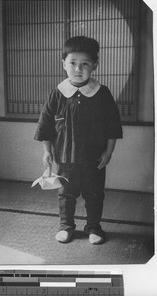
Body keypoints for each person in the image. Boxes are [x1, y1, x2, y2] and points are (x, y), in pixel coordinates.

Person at [34, 36, 123, 245]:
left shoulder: (102, 93)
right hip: (65, 158)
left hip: (94, 159)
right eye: (72, 63)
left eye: (85, 64)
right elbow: (45, 125)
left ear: (95, 65)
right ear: (64, 63)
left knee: (94, 195)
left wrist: (108, 152)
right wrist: (47, 151)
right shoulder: (58, 93)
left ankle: (93, 227)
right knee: (66, 194)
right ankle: (66, 226)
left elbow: (112, 126)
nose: (78, 68)